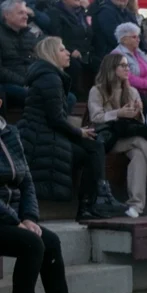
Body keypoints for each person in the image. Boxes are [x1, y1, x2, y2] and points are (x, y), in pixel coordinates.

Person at [0, 100, 92, 293]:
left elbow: (27, 181)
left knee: (49, 240)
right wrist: (14, 220)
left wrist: (29, 217)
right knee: (32, 243)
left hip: (12, 218)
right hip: (4, 218)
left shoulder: (10, 133)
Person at [18, 37, 126, 219]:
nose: (68, 53)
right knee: (92, 148)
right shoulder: (50, 78)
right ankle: (93, 202)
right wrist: (79, 131)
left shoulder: (49, 76)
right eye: (62, 50)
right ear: (51, 54)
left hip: (45, 133)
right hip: (41, 137)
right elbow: (55, 119)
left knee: (94, 145)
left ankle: (94, 201)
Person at [88, 54, 147, 218]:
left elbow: (137, 123)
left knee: (139, 154)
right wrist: (118, 112)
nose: (128, 69)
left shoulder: (131, 90)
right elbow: (95, 117)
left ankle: (135, 206)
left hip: (126, 137)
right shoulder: (97, 90)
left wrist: (137, 112)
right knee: (139, 142)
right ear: (111, 69)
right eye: (123, 66)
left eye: (128, 65)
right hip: (107, 139)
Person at [47, 0, 92, 99]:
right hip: (65, 51)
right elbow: (56, 37)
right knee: (74, 66)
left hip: (84, 52)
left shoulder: (81, 13)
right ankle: (77, 100)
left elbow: (88, 35)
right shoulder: (55, 13)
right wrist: (70, 50)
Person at [0, 0, 38, 107]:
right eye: (21, 13)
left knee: (69, 97)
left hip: (31, 83)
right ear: (6, 15)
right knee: (40, 96)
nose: (26, 17)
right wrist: (25, 82)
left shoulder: (29, 35)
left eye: (26, 13)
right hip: (9, 85)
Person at [112, 23, 147, 101]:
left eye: (138, 36)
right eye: (134, 37)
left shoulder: (139, 52)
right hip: (132, 95)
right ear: (124, 40)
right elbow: (128, 78)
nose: (138, 39)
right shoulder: (117, 54)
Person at [90, 0, 139, 66]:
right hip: (111, 58)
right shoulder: (105, 11)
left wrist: (145, 51)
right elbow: (115, 38)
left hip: (130, 54)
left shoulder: (128, 13)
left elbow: (140, 35)